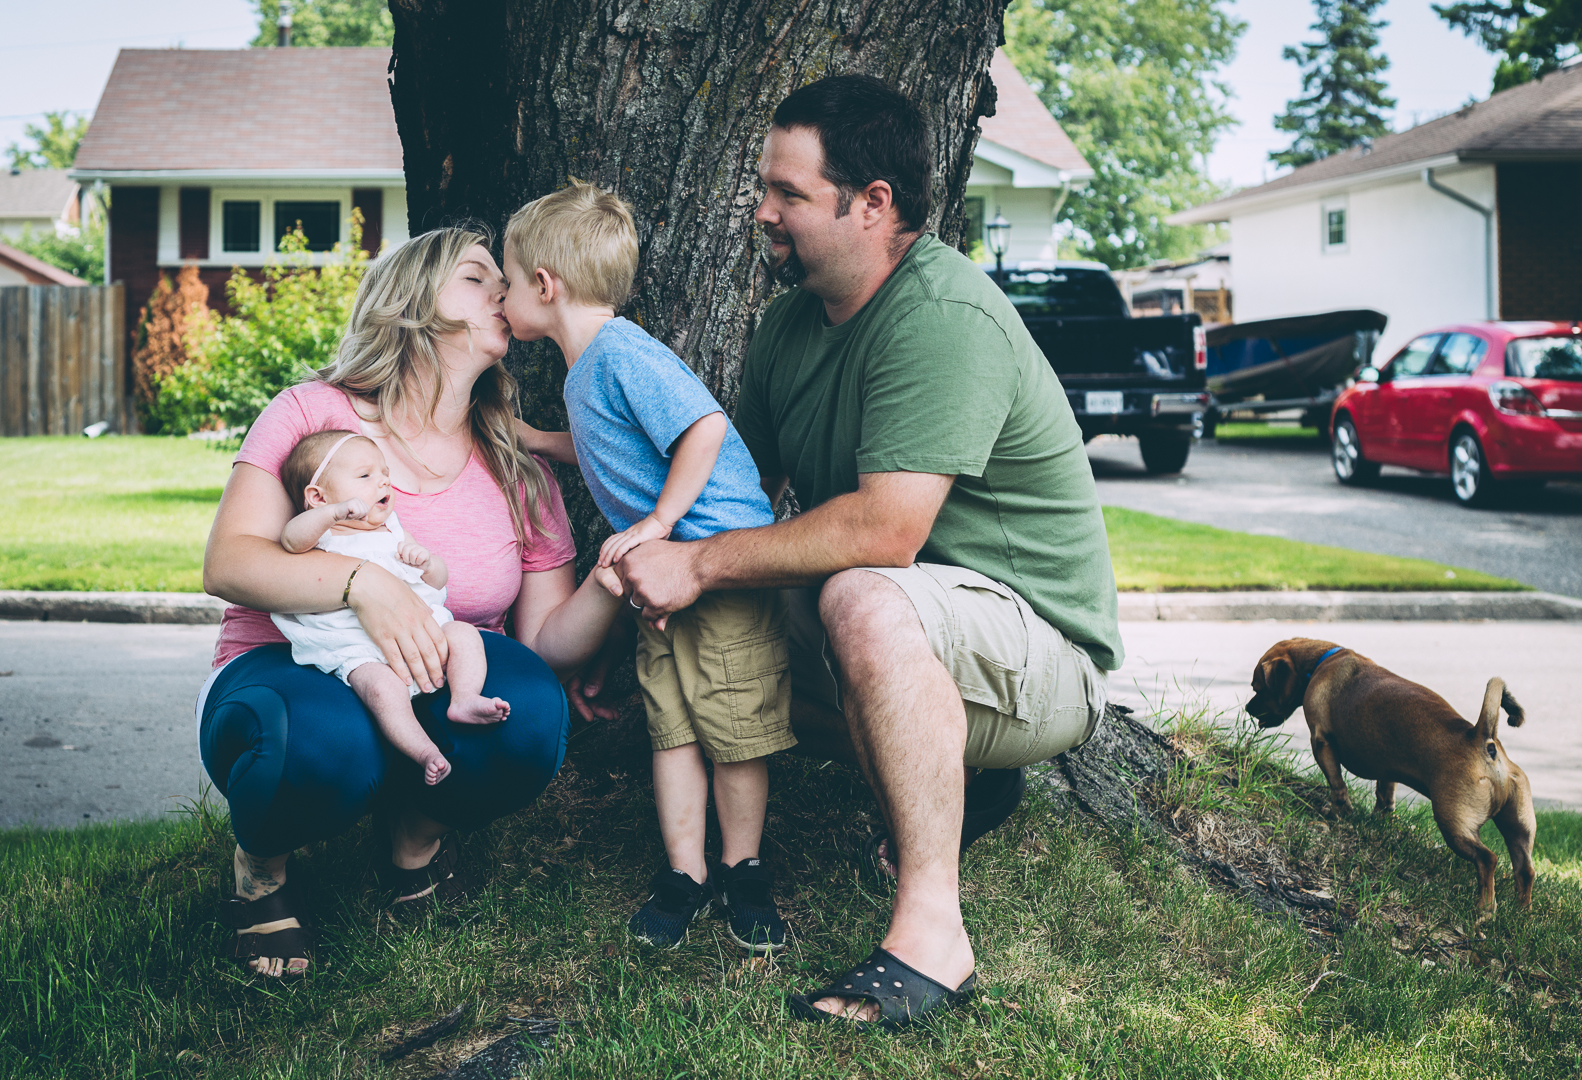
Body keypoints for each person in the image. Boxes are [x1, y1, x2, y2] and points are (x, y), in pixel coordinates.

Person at [603, 76, 1125, 1027]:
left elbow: (889, 533)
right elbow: (736, 498)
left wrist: (702, 565)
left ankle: (934, 937)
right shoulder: (787, 328)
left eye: (788, 195)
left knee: (860, 594)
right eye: (767, 189)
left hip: (1039, 650)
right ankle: (960, 775)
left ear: (873, 203)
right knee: (721, 661)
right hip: (927, 637)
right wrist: (647, 624)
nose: (762, 212)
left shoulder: (942, 315)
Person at [199, 225, 622, 978]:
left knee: (529, 711)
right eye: (475, 276)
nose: (503, 289)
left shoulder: (518, 471)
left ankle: (413, 843)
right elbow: (230, 561)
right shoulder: (314, 418)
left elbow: (544, 648)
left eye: (506, 280)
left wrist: (614, 578)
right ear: (410, 305)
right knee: (329, 746)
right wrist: (367, 586)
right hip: (294, 662)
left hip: (434, 681)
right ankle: (261, 870)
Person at [505, 183, 794, 952]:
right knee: (671, 727)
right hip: (658, 579)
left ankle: (744, 870)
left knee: (734, 729)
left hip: (716, 564)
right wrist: (538, 438)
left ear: (543, 285)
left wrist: (662, 523)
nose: (500, 298)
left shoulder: (622, 351)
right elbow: (612, 443)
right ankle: (682, 875)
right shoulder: (584, 369)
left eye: (506, 281)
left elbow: (702, 428)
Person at [270, 429, 516, 786]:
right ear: (317, 496)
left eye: (384, 473)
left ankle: (464, 698)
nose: (383, 481)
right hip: (360, 649)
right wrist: (332, 513)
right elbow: (291, 540)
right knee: (383, 690)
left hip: (423, 635)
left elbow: (438, 580)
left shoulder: (393, 531)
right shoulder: (323, 532)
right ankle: (423, 751)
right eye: (366, 475)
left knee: (464, 635)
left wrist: (428, 563)